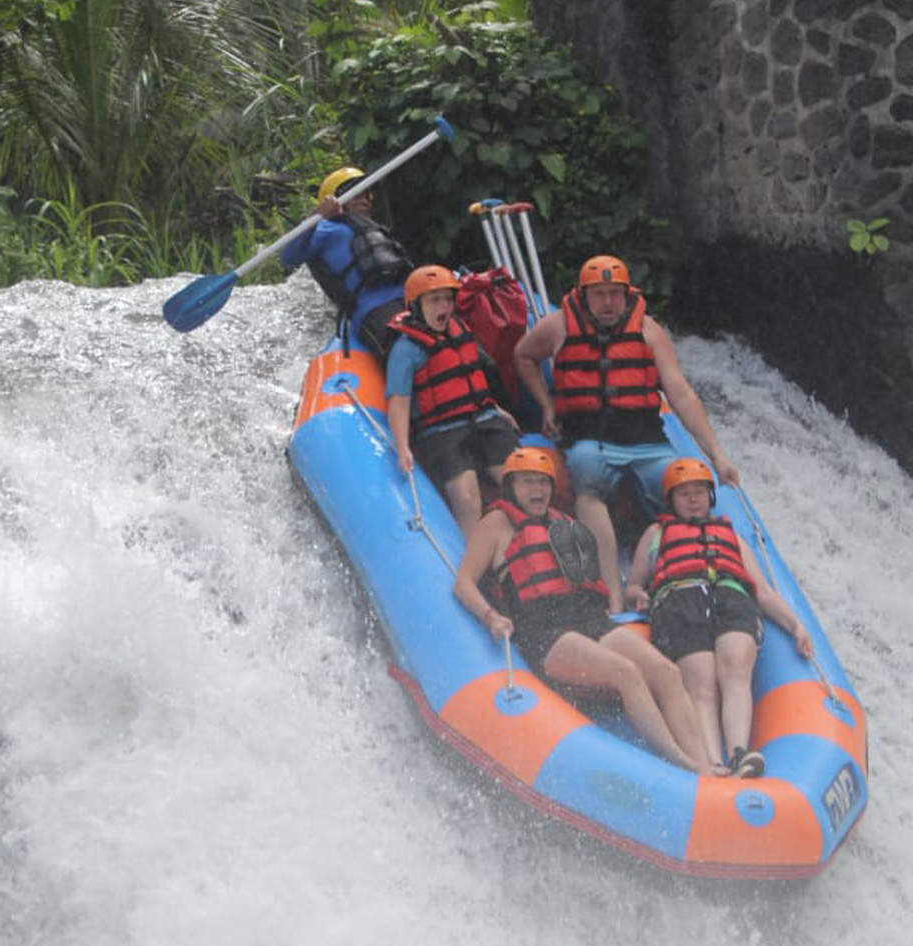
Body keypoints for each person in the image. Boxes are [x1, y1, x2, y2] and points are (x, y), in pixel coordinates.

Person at [453, 447, 723, 775]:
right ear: (510, 486)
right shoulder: (496, 523)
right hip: (544, 631)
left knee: (667, 673)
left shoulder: (564, 524)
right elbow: (464, 583)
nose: (537, 490)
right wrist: (490, 616)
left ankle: (707, 766)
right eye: (526, 482)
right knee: (626, 672)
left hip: (588, 619)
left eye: (543, 482)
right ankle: (683, 763)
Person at [513, 254, 741, 612]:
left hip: (646, 441)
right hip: (589, 440)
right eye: (599, 294)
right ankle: (613, 597)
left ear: (627, 293)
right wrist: (546, 404)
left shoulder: (649, 330)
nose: (608, 302)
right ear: (584, 295)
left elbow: (680, 393)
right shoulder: (557, 326)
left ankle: (679, 583)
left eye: (615, 294)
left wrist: (717, 455)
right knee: (589, 485)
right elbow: (523, 355)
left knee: (678, 491)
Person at [624, 459, 814, 777]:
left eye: (699, 491)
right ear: (671, 499)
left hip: (731, 598)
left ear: (710, 496)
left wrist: (796, 626)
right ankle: (712, 762)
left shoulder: (731, 536)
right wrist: (637, 596)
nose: (693, 498)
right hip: (680, 601)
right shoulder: (656, 534)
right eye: (684, 493)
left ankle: (739, 754)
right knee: (701, 683)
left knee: (735, 671)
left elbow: (763, 591)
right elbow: (633, 584)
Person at [386, 265, 520, 537]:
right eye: (434, 300)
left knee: (519, 483)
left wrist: (496, 409)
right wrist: (402, 447)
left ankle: (536, 550)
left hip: (483, 420)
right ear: (416, 305)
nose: (443, 306)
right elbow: (398, 403)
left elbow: (474, 380)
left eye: (447, 299)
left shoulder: (460, 329)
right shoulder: (406, 349)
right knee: (467, 499)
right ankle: (477, 570)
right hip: (442, 432)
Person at [280, 165, 413, 358]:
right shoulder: (326, 229)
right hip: (373, 308)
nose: (364, 199)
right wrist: (317, 217)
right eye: (355, 195)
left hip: (410, 297)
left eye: (366, 194)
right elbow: (288, 257)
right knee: (406, 348)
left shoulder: (376, 229)